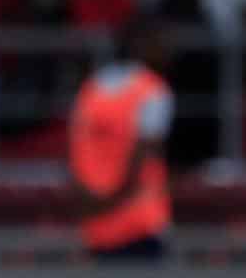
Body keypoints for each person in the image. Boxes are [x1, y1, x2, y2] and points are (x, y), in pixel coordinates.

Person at [69, 23, 174, 261]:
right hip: (140, 224)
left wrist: (91, 203)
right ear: (141, 45)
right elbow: (145, 156)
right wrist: (111, 202)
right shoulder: (154, 91)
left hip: (96, 221)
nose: (167, 50)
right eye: (159, 43)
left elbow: (73, 155)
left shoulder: (90, 89)